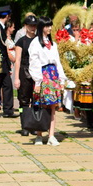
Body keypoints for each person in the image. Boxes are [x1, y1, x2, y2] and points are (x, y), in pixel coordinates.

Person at [27, 16, 66, 146]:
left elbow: (57, 62)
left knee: (53, 106)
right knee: (41, 105)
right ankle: (39, 135)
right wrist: (38, 81)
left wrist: (61, 79)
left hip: (53, 75)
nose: (49, 28)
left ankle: (51, 135)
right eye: (47, 26)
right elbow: (34, 62)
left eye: (50, 26)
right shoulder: (35, 43)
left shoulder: (52, 44)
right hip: (42, 75)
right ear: (41, 27)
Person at [13, 14, 38, 136]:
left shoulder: (39, 40)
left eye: (34, 25)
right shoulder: (21, 41)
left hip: (36, 72)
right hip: (24, 71)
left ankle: (34, 125)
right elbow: (17, 60)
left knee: (35, 99)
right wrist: (16, 78)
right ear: (26, 26)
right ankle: (25, 126)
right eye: (30, 25)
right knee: (24, 100)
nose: (33, 28)